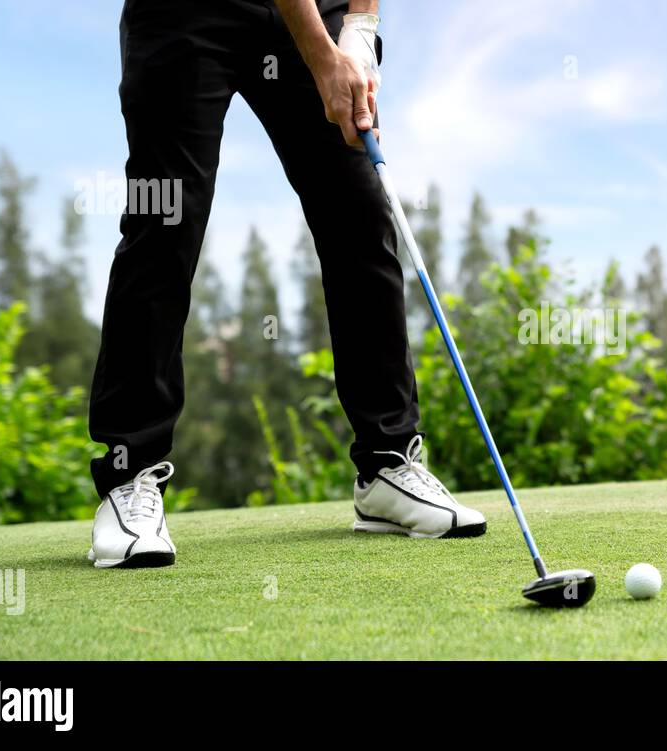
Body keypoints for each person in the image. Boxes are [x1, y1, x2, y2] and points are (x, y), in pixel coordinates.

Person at [87, 0, 485, 569]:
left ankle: (386, 463)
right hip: (184, 14)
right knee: (166, 219)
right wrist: (323, 56)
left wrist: (360, 29)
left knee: (360, 212)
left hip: (312, 13)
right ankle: (130, 474)